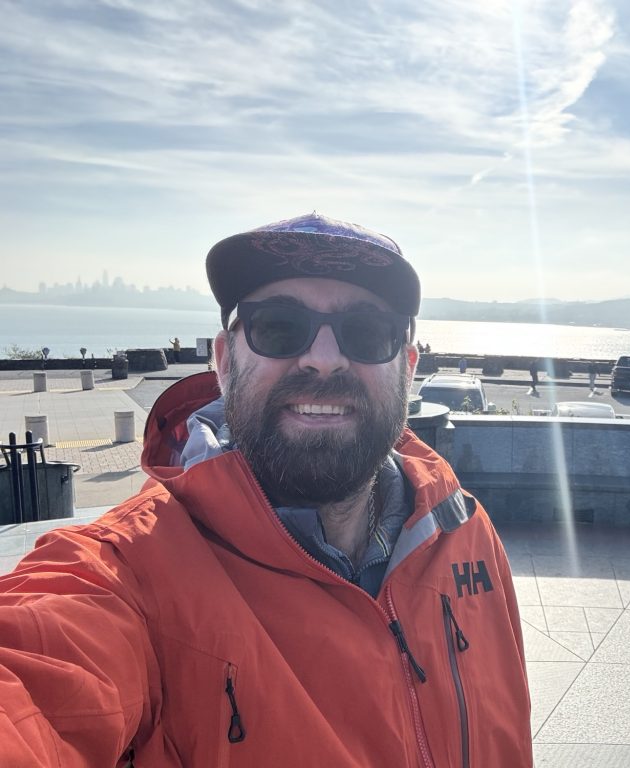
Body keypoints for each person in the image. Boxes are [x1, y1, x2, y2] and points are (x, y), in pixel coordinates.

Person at [0, 213, 532, 766]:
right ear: (224, 363)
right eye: (279, 326)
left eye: (368, 332)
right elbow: (34, 677)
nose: (323, 358)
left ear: (408, 370)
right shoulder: (131, 572)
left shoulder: (464, 531)